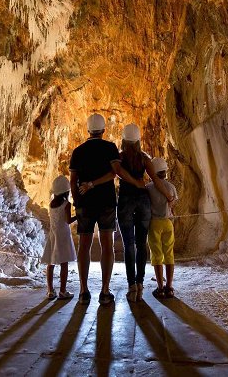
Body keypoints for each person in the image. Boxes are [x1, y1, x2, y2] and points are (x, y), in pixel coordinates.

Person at [69, 113, 145, 306]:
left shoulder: (77, 151)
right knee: (107, 245)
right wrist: (136, 182)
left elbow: (72, 181)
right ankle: (104, 291)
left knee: (84, 245)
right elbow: (115, 173)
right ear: (103, 130)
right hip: (106, 203)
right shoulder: (110, 147)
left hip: (85, 203)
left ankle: (84, 291)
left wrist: (77, 201)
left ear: (88, 130)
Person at [116, 124, 175, 303]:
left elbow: (117, 172)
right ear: (138, 141)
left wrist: (132, 182)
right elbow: (156, 180)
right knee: (142, 244)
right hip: (143, 202)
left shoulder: (119, 158)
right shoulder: (144, 159)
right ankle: (140, 284)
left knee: (129, 245)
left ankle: (132, 286)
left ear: (124, 140)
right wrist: (167, 195)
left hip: (126, 199)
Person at [41, 175, 77, 300]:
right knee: (64, 264)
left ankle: (50, 290)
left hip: (53, 234)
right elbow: (68, 220)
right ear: (66, 191)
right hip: (63, 236)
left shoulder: (51, 204)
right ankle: (63, 291)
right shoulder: (67, 204)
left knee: (50, 263)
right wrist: (78, 216)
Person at [146, 157, 178, 299]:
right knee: (169, 253)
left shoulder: (148, 188)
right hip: (167, 222)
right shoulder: (171, 187)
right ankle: (169, 287)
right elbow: (172, 204)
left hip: (154, 223)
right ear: (165, 172)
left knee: (157, 255)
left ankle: (160, 288)